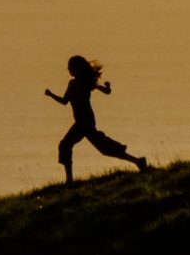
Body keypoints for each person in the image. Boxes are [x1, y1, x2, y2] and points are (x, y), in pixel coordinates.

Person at [44, 55, 148, 183]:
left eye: (70, 67)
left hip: (84, 122)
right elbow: (104, 91)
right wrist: (108, 87)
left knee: (66, 145)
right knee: (102, 147)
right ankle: (138, 161)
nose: (68, 70)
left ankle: (69, 181)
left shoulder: (80, 82)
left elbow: (64, 101)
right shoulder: (83, 82)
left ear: (77, 69)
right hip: (85, 120)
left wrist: (50, 94)